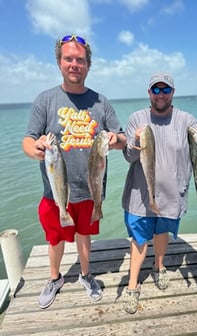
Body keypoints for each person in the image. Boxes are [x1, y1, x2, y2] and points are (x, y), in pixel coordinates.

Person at [22, 34, 126, 309]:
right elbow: (28, 139)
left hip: (90, 190)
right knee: (54, 238)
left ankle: (85, 274)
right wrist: (37, 149)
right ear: (59, 62)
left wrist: (116, 140)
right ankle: (54, 278)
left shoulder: (101, 102)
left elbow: (122, 137)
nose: (74, 64)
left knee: (84, 236)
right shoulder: (45, 100)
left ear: (88, 65)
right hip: (55, 191)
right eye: (68, 59)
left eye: (80, 60)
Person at [121, 72, 197, 314]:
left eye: (166, 90)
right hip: (140, 195)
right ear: (149, 93)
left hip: (173, 195)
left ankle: (159, 266)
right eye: (156, 89)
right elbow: (128, 156)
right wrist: (134, 141)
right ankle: (132, 285)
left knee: (162, 231)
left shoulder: (186, 119)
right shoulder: (137, 118)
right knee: (139, 239)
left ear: (173, 92)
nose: (161, 94)